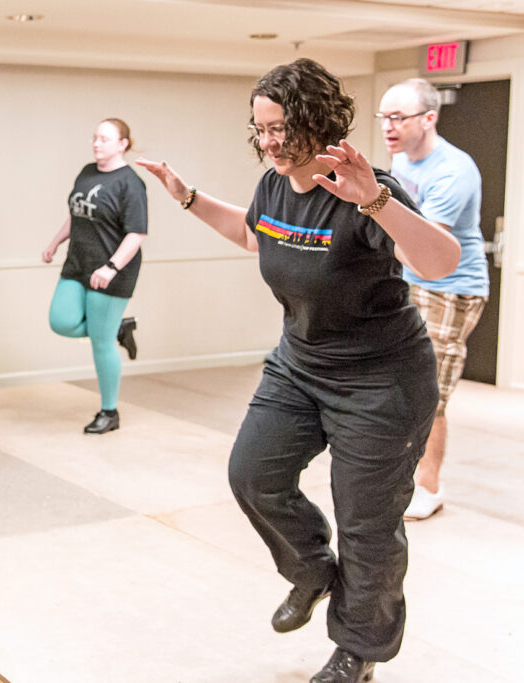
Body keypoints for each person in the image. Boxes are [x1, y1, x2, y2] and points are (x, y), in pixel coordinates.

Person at [137, 59, 460, 682]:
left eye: (281, 126)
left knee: (366, 525)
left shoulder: (370, 189)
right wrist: (187, 196)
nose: (270, 140)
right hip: (300, 365)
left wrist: (375, 200)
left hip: (381, 380)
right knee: (252, 474)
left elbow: (439, 260)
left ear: (316, 120)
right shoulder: (275, 185)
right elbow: (257, 237)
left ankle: (358, 650)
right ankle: (311, 569)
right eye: (261, 129)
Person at [377, 78, 489, 521]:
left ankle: (429, 486)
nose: (389, 126)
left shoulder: (453, 171)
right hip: (411, 278)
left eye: (398, 117)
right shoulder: (400, 158)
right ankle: (403, 475)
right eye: (384, 117)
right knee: (400, 384)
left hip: (451, 286)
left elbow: (429, 253)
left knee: (431, 390)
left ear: (429, 118)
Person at [42, 118, 147, 434]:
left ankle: (109, 412)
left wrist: (111, 267)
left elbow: (137, 234)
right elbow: (78, 213)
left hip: (112, 270)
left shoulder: (130, 183)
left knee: (100, 343)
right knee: (61, 320)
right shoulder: (86, 173)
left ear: (122, 144)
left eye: (104, 138)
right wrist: (55, 241)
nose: (96, 143)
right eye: (95, 138)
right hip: (78, 262)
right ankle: (118, 329)